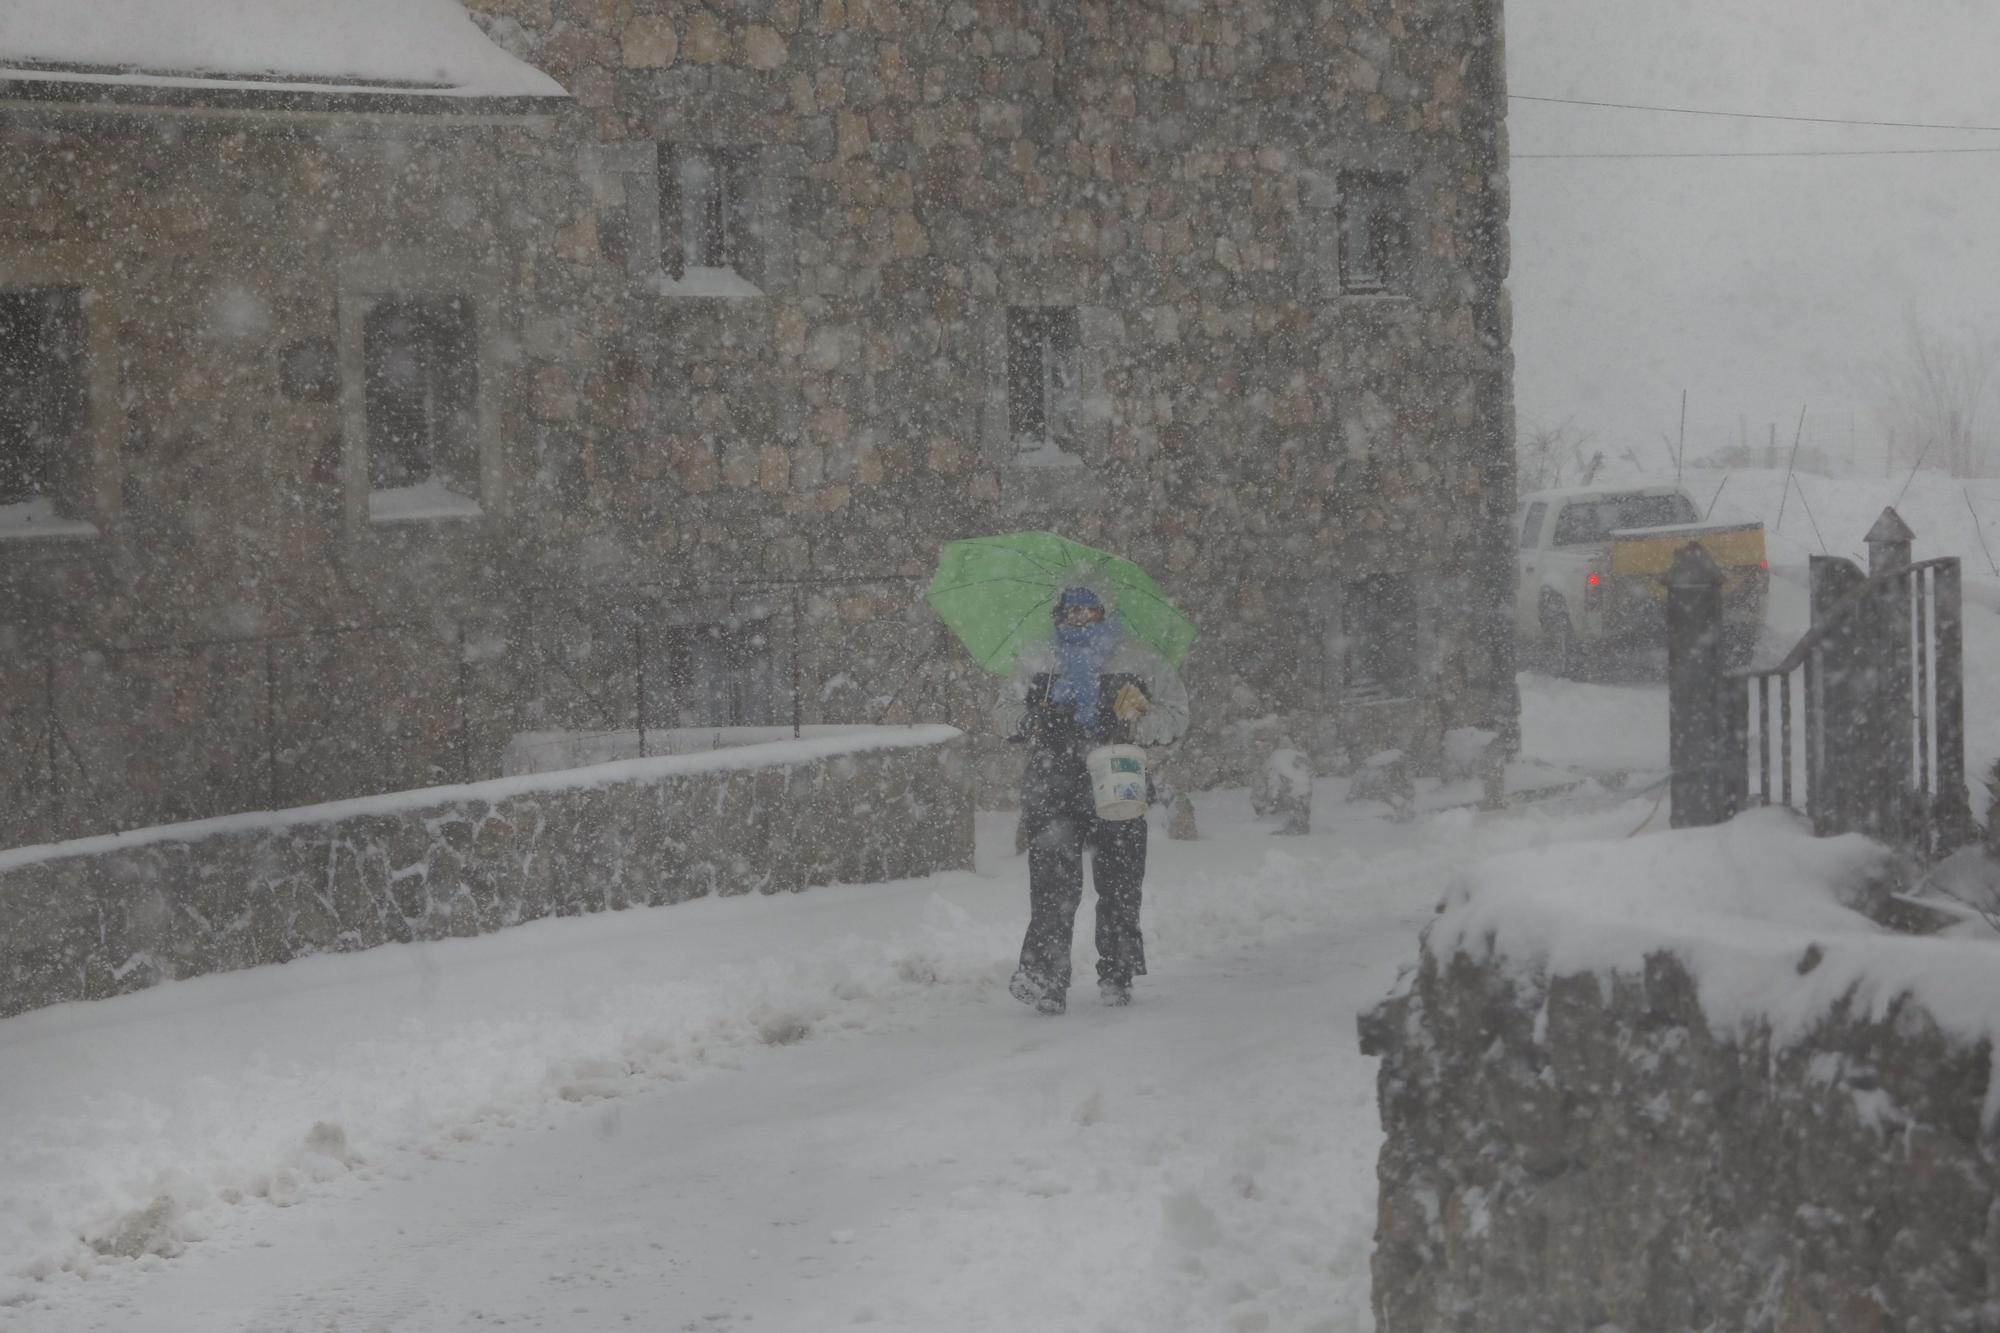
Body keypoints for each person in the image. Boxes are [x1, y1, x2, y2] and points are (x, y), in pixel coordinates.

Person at [994, 582, 1189, 1015]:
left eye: (1088, 611)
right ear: (1058, 614)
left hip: (1115, 779)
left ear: (1105, 613)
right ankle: (1045, 977)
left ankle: (1117, 973)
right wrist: (1033, 719)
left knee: (1120, 882)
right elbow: (1004, 714)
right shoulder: (1037, 660)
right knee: (1051, 886)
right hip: (1053, 784)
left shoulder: (1137, 659)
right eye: (1071, 611)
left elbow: (1176, 714)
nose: (1078, 619)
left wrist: (1138, 721)